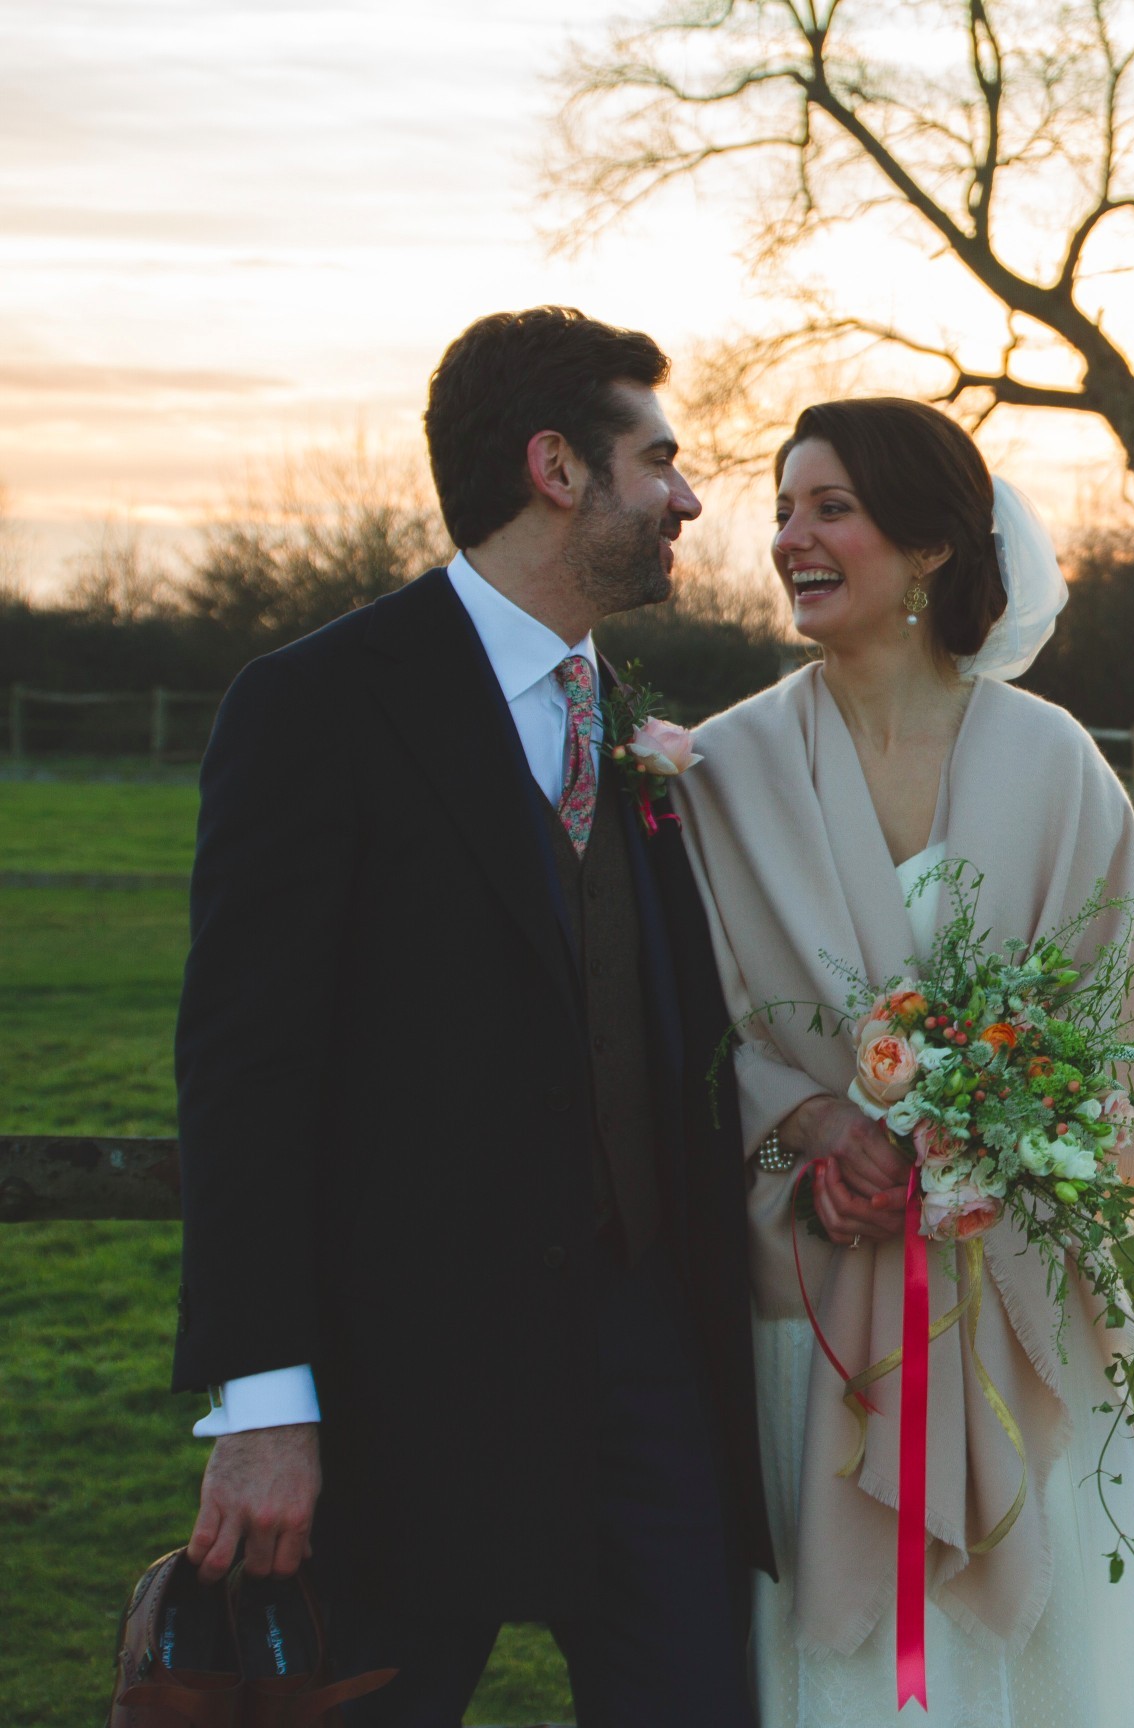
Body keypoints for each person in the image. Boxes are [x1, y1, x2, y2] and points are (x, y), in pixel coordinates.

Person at [173, 307, 773, 1726]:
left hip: (642, 1363)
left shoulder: (611, 711)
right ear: (556, 467)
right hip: (402, 1387)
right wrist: (263, 1402)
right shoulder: (317, 705)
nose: (687, 498)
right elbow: (244, 1071)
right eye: (660, 462)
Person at [672, 398, 1134, 1727]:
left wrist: (993, 1151)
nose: (791, 536)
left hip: (1013, 1314)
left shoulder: (1060, 769)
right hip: (810, 1305)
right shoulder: (719, 773)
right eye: (784, 508)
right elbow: (690, 1028)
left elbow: (1116, 1034)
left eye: (830, 508)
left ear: (925, 548)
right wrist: (807, 1126)